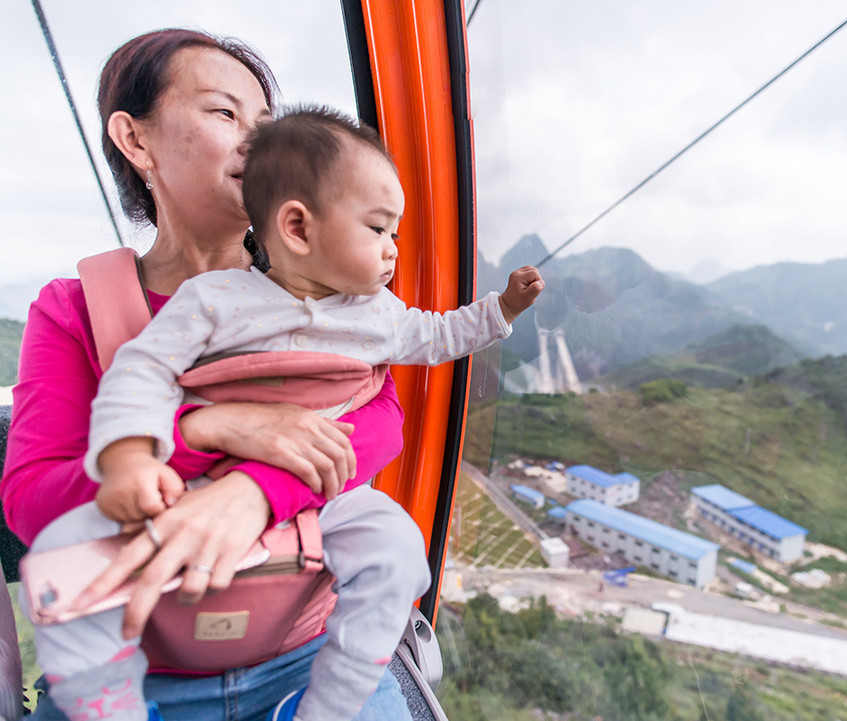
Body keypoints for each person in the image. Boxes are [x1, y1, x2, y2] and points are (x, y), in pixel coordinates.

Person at [27, 106, 543, 721]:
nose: (392, 250)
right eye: (379, 230)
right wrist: (130, 456)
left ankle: (331, 700)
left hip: (322, 498)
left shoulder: (378, 314)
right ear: (297, 228)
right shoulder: (214, 300)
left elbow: (437, 337)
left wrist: (502, 310)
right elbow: (144, 370)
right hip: (193, 480)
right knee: (62, 550)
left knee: (400, 548)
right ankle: (105, 703)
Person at [0, 28, 440, 721]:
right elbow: (32, 498)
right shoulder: (74, 310)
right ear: (136, 140)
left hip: (313, 655)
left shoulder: (324, 292)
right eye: (224, 114)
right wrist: (205, 429)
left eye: (267, 125)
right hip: (137, 674)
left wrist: (254, 490)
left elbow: (379, 416)